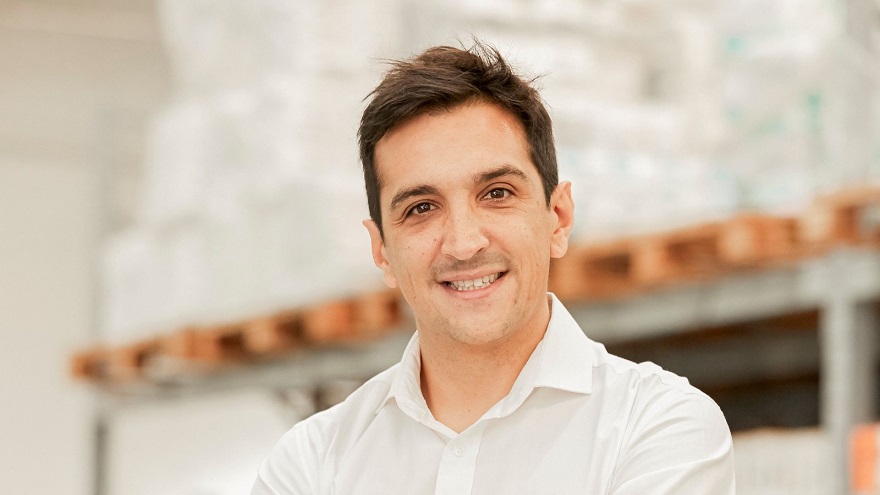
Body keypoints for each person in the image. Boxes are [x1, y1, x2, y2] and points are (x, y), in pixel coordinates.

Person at [252, 41, 735, 495]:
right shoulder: (312, 462)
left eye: (497, 193)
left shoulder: (659, 425)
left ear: (558, 218)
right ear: (381, 251)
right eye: (421, 208)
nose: (464, 244)